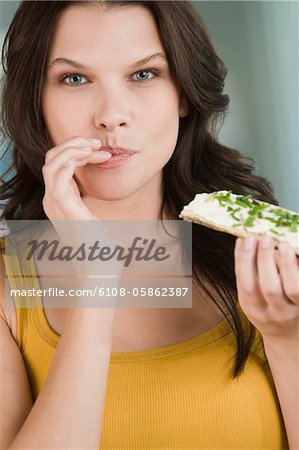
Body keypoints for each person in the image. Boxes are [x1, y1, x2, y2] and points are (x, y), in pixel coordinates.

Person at [0, 1, 297, 449]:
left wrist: (287, 339)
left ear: (182, 92)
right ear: (35, 101)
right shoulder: (7, 289)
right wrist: (98, 274)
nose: (111, 115)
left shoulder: (265, 261)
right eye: (74, 78)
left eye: (143, 74)